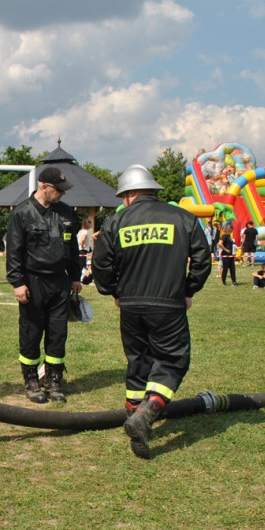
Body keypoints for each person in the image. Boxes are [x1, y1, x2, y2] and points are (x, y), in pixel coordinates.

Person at [91, 164, 211, 459]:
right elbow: (202, 258)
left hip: (130, 306)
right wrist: (188, 290)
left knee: (138, 361)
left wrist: (114, 292)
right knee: (172, 361)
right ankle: (144, 418)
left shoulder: (116, 222)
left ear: (130, 194)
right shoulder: (184, 218)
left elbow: (100, 264)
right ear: (151, 190)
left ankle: (133, 416)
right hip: (168, 304)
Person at [5, 166, 82, 404]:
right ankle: (31, 381)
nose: (62, 194)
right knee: (31, 332)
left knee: (58, 334)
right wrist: (18, 283)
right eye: (59, 190)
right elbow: (14, 252)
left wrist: (76, 276)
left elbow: (73, 249)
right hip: (33, 281)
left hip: (60, 282)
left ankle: (53, 381)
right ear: (44, 187)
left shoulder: (67, 213)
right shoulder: (22, 213)